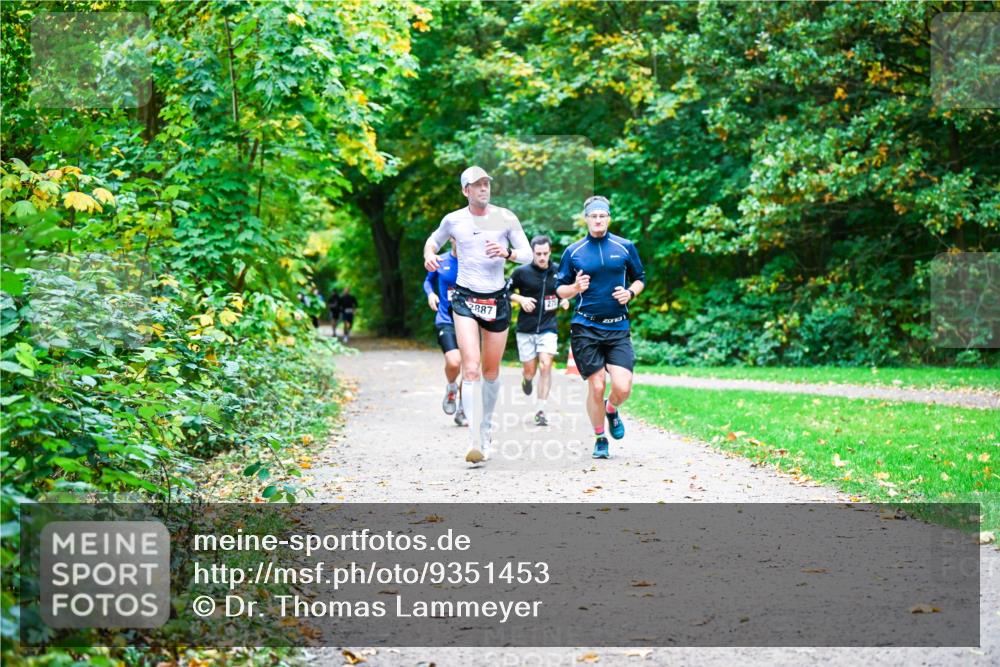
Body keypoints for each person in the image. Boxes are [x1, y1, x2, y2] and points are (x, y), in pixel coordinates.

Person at [424, 166, 531, 465]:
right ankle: (473, 439)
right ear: (465, 190)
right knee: (470, 369)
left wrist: (507, 253)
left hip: (496, 298)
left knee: (491, 371)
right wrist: (429, 255)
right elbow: (433, 241)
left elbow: (528, 254)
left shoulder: (506, 217)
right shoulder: (453, 220)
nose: (484, 188)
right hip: (465, 298)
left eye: (486, 183)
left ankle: (486, 428)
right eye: (477, 184)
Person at [555, 196, 645, 460]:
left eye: (602, 216)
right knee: (596, 386)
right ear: (586, 218)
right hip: (586, 326)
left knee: (623, 386)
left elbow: (640, 278)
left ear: (608, 218)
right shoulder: (574, 251)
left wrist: (630, 293)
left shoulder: (625, 246)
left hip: (617, 327)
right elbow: (560, 288)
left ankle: (612, 409)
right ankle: (599, 437)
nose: (597, 220)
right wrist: (575, 288)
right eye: (593, 216)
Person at [509, 235, 569, 427]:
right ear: (532, 253)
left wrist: (565, 299)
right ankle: (526, 380)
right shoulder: (521, 272)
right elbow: (504, 291)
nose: (542, 257)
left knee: (545, 366)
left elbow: (567, 290)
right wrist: (520, 300)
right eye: (538, 254)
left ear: (550, 251)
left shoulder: (559, 272)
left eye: (545, 253)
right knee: (530, 371)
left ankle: (541, 409)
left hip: (548, 327)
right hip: (525, 329)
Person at [423, 238, 468, 426]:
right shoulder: (440, 261)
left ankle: (463, 410)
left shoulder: (473, 263)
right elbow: (428, 282)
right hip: (446, 320)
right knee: (454, 361)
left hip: (469, 321)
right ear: (451, 238)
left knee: (470, 368)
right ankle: (451, 387)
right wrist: (431, 294)